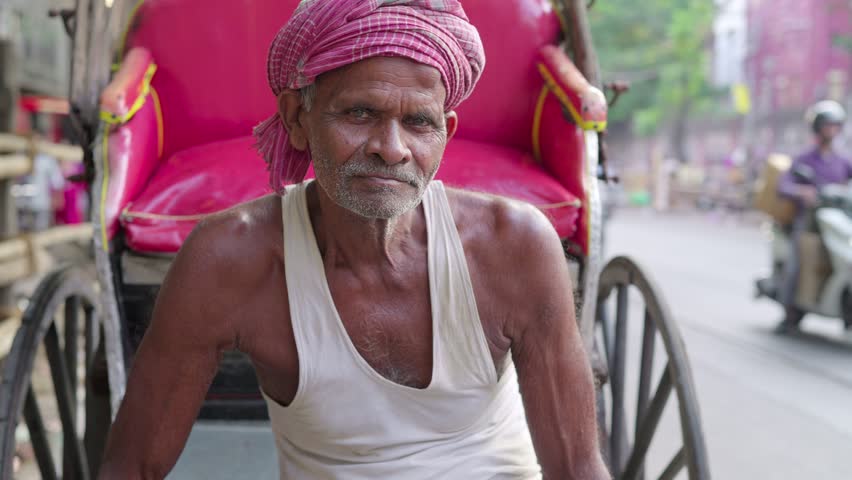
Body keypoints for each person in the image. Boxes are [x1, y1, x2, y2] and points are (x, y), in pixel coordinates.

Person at [98, 1, 610, 479]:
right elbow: (131, 466)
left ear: (446, 133)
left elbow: (577, 469)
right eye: (359, 114)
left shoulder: (515, 248)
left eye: (418, 123)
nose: (392, 150)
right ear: (298, 119)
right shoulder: (229, 260)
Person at [775, 100, 851, 333]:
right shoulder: (804, 159)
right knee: (797, 264)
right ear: (818, 127)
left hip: (837, 222)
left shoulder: (843, 160)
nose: (832, 129)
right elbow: (783, 186)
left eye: (835, 125)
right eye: (828, 125)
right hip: (808, 224)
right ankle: (788, 311)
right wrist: (801, 192)